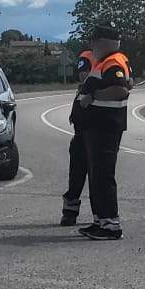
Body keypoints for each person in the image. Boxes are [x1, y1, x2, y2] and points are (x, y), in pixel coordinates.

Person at [74, 27, 132, 241]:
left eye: (94, 41)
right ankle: (101, 220)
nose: (91, 46)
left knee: (103, 175)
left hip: (105, 127)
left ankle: (111, 224)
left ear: (103, 42)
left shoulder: (113, 61)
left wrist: (92, 96)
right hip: (97, 126)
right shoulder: (105, 60)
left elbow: (119, 90)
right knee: (96, 175)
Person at [59, 46, 96, 227]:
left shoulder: (115, 59)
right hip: (82, 127)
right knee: (76, 175)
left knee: (99, 176)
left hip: (100, 128)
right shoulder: (87, 56)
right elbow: (83, 76)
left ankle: (101, 216)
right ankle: (70, 212)